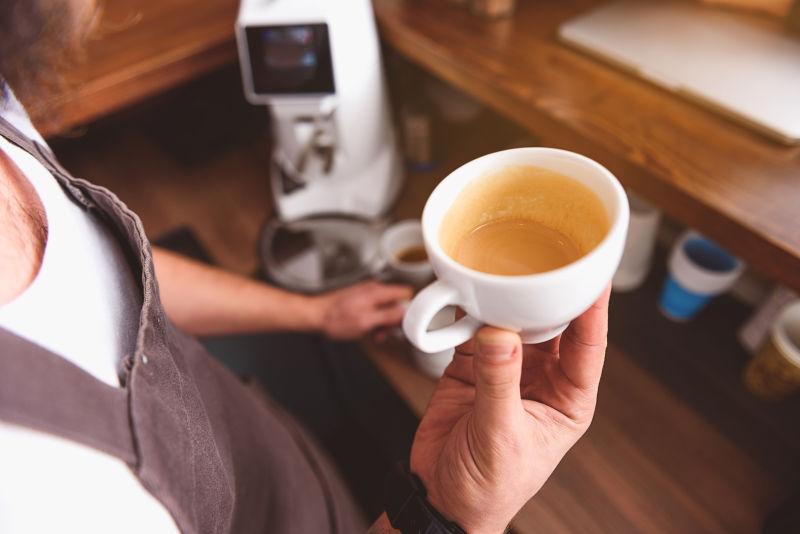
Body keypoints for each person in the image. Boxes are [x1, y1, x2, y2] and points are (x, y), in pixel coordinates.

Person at [0, 1, 610, 533]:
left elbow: (97, 263)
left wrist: (313, 312)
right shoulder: (35, 490)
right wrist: (452, 515)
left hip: (282, 466)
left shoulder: (5, 106)